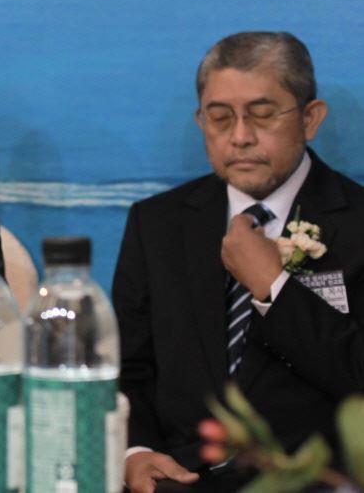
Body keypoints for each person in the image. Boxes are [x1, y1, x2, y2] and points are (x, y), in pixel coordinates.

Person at [115, 31, 364, 492]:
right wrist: (135, 451)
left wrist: (274, 288)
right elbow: (128, 368)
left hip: (314, 481)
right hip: (179, 480)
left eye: (262, 115)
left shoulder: (357, 224)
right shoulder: (157, 224)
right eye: (220, 117)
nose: (241, 137)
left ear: (310, 118)